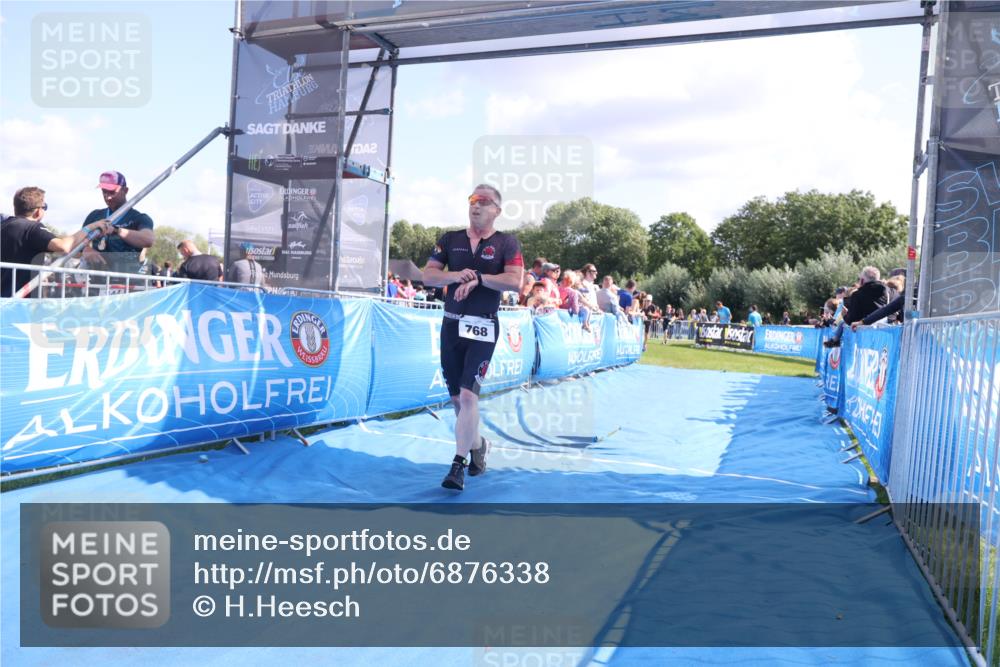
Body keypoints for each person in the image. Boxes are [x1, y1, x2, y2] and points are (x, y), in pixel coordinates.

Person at [422, 184, 524, 491]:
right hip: (451, 326)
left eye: (483, 201)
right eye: (472, 200)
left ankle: (458, 466)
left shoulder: (506, 242)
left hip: (483, 327)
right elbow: (428, 275)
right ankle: (479, 445)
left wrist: (479, 278)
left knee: (468, 397)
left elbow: (515, 281)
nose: (476, 206)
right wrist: (456, 275)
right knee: (457, 400)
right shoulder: (450, 239)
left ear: (497, 210)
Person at [1, 186, 111, 297]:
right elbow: (64, 246)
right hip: (19, 300)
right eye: (45, 207)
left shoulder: (3, 225)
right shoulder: (32, 228)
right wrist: (90, 227)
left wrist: (86, 248)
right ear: (38, 211)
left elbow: (69, 252)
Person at [81, 171, 154, 276]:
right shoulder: (95, 215)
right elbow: (75, 244)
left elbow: (148, 240)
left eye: (112, 192)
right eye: (104, 192)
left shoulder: (139, 218)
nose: (108, 197)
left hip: (128, 280)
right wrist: (86, 250)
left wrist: (116, 230)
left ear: (125, 190)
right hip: (98, 280)